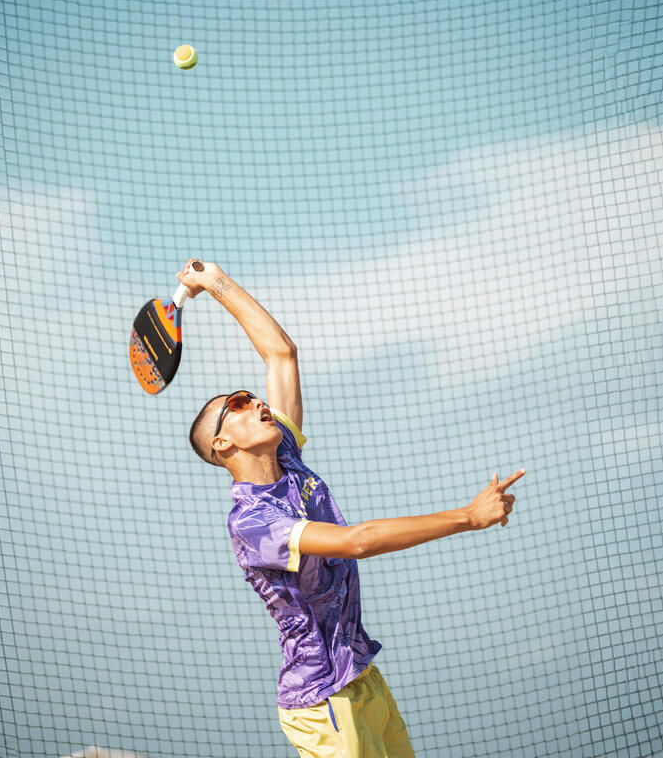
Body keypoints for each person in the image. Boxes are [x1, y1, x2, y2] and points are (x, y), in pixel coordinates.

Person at [178, 259, 526, 758]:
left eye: (252, 396)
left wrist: (214, 281)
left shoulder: (288, 460)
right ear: (223, 446)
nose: (255, 401)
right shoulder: (254, 523)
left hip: (362, 677)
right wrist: (468, 517)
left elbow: (281, 355)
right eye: (236, 402)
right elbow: (356, 542)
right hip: (321, 703)